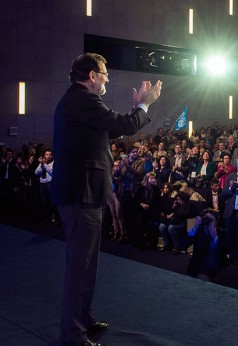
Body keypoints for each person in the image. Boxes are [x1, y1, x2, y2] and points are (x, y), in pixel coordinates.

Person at [52, 53, 161, 346]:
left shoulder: (81, 101)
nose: (107, 79)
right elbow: (125, 126)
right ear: (91, 75)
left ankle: (83, 320)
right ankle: (73, 335)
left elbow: (114, 127)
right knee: (80, 266)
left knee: (87, 264)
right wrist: (145, 103)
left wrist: (137, 107)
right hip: (80, 193)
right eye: (105, 74)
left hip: (84, 192)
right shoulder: (83, 99)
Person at [184, 208, 228, 279]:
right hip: (200, 265)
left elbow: (226, 250)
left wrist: (215, 237)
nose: (208, 222)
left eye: (211, 220)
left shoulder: (222, 233)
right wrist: (194, 228)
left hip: (216, 265)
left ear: (216, 222)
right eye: (206, 219)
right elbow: (183, 245)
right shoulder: (198, 231)